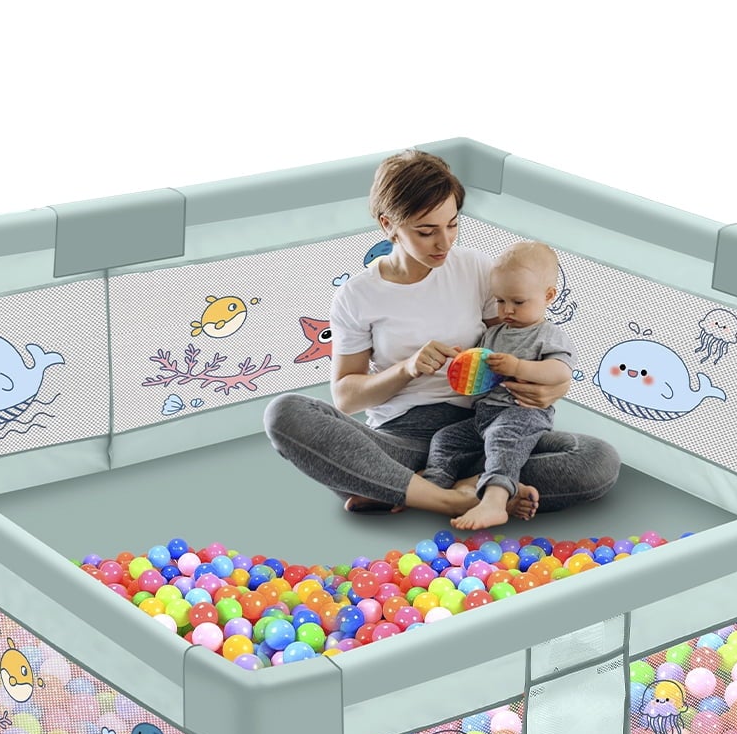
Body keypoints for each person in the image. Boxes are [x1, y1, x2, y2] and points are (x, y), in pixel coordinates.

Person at [261, 148, 619, 518]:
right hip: (402, 441)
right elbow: (347, 399)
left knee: (596, 460)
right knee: (285, 413)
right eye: (426, 231)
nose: (445, 243)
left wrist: (555, 383)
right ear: (388, 225)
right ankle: (454, 496)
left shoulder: (476, 268)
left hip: (481, 430)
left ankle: (409, 487)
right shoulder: (357, 296)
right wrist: (407, 368)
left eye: (452, 225)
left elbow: (515, 345)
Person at [421, 240, 574, 530]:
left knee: (503, 441)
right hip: (483, 415)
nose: (507, 310)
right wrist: (463, 366)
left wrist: (518, 367)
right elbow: (480, 373)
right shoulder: (494, 334)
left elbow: (560, 371)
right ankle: (434, 485)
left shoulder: (548, 335)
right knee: (445, 439)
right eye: (500, 301)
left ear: (548, 296)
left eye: (518, 302)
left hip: (522, 414)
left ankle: (495, 500)